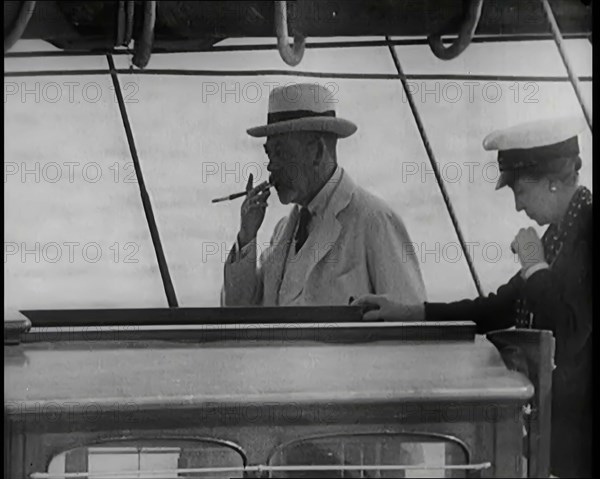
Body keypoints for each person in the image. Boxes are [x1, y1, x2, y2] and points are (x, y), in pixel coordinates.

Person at [351, 117, 592, 478]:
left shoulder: (584, 233)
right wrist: (410, 312)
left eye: (520, 191)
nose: (517, 207)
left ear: (552, 183)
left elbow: (570, 334)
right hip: (557, 436)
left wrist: (534, 264)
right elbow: (496, 308)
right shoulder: (557, 237)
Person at [221, 83, 426, 306]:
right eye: (269, 154)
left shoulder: (374, 220)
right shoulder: (282, 232)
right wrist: (247, 235)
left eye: (280, 153)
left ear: (317, 151)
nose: (271, 167)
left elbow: (410, 319)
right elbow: (238, 311)